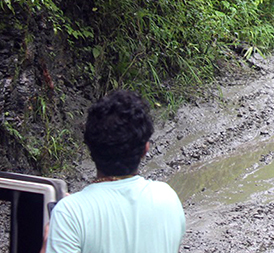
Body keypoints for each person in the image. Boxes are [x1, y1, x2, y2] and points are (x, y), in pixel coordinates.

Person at [45, 90, 185, 253]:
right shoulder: (168, 198)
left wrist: (49, 239)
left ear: (90, 147)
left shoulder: (69, 213)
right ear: (145, 149)